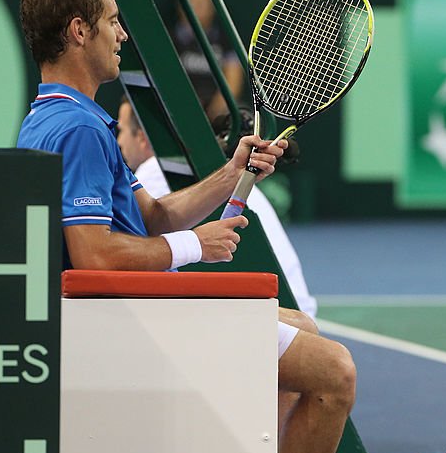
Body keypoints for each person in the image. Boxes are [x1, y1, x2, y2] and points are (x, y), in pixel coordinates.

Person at [17, 0, 353, 453]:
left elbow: (151, 216)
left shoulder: (60, 119)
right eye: (112, 20)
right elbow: (94, 256)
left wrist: (231, 173)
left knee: (301, 331)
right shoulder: (78, 129)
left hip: (129, 312)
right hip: (127, 324)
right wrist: (194, 246)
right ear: (79, 32)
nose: (122, 33)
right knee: (335, 372)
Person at [117, 98, 318, 317]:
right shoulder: (196, 169)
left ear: (143, 138)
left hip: (279, 307)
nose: (119, 141)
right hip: (295, 308)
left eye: (122, 130)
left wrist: (192, 244)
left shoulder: (152, 171)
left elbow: (133, 242)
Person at [172, 0, 244, 119]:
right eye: (195, 2)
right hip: (182, 108)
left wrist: (220, 105)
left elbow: (234, 76)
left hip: (217, 111)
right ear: (181, 5)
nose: (201, 7)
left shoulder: (225, 39)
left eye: (205, 2)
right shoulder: (170, 39)